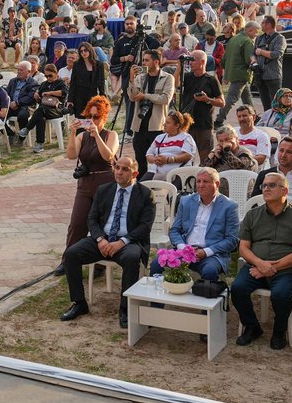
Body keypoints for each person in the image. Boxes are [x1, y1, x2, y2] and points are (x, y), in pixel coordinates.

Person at [59, 156, 153, 329]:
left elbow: (144, 227)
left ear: (135, 173)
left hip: (128, 242)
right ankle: (79, 303)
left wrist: (122, 242)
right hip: (102, 239)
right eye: (117, 167)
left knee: (132, 259)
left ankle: (125, 308)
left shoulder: (145, 194)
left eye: (125, 169)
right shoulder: (104, 190)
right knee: (71, 254)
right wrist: (100, 239)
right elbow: (92, 219)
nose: (119, 172)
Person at [231, 172, 292, 350]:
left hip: (288, 270)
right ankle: (252, 327)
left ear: (285, 190)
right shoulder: (253, 215)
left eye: (271, 185)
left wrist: (268, 268)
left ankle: (279, 330)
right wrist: (260, 265)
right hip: (255, 265)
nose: (266, 188)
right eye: (264, 186)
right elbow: (243, 248)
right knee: (237, 289)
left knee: (281, 295)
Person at [153, 167, 239, 281]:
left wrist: (205, 252)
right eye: (198, 181)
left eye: (205, 181)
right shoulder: (186, 201)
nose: (201, 185)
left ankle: (205, 296)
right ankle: (157, 299)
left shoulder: (229, 206)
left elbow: (232, 240)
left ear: (217, 184)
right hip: (184, 251)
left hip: (212, 254)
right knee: (156, 264)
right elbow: (174, 230)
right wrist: (183, 248)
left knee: (209, 271)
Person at [128, 49, 174, 179]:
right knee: (140, 162)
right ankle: (141, 188)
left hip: (157, 127)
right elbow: (132, 97)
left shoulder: (167, 78)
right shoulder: (140, 78)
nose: (144, 63)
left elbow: (165, 99)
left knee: (157, 162)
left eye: (147, 60)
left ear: (156, 62)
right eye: (143, 60)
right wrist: (131, 80)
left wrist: (145, 96)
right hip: (139, 125)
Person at [216, 22, 256, 124]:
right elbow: (248, 60)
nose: (256, 35)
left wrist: (227, 72)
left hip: (232, 72)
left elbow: (224, 59)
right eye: (256, 32)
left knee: (246, 97)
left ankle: (254, 116)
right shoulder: (247, 41)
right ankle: (219, 120)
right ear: (250, 30)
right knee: (231, 98)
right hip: (241, 73)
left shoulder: (234, 39)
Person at [144, 111, 197, 181]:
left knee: (172, 191)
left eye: (167, 123)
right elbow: (148, 155)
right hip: (156, 172)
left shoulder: (186, 137)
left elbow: (188, 156)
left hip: (178, 173)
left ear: (177, 125)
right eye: (165, 122)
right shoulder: (159, 138)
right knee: (139, 188)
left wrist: (169, 160)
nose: (164, 124)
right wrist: (155, 159)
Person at [30, 63, 69, 153]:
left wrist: (50, 93)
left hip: (57, 109)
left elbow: (64, 93)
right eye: (46, 76)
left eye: (50, 76)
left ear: (56, 73)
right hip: (44, 110)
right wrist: (37, 97)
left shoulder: (61, 82)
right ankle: (40, 144)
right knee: (40, 117)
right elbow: (40, 101)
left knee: (40, 110)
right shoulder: (44, 84)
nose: (48, 78)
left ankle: (28, 128)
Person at [252, 16, 284, 112]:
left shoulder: (279, 38)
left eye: (262, 23)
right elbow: (253, 52)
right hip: (260, 75)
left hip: (273, 75)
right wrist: (254, 62)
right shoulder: (260, 38)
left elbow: (276, 54)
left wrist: (261, 52)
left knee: (277, 104)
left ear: (268, 25)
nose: (261, 25)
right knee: (266, 105)